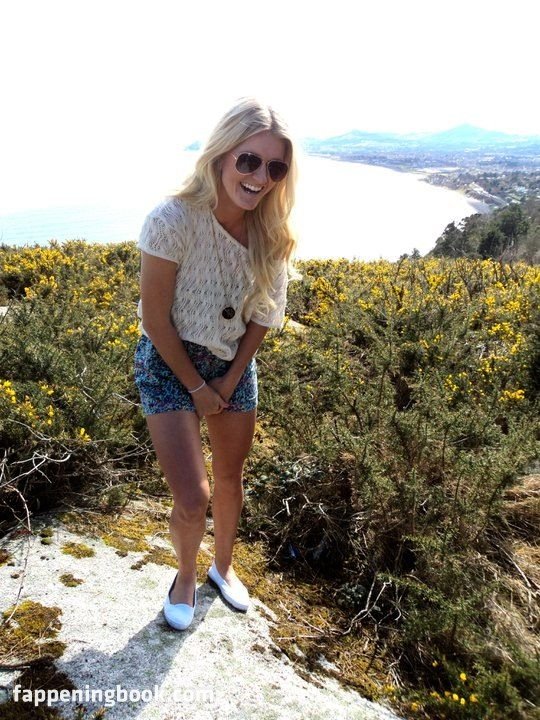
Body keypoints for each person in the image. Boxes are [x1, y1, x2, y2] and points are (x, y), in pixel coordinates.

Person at [133, 97, 299, 630]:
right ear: (222, 155)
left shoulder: (271, 234)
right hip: (168, 361)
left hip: (232, 363)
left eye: (275, 168)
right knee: (193, 495)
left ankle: (222, 568)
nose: (260, 178)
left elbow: (264, 315)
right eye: (248, 160)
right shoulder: (172, 220)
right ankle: (184, 576)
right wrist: (198, 387)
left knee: (230, 477)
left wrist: (229, 377)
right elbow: (155, 319)